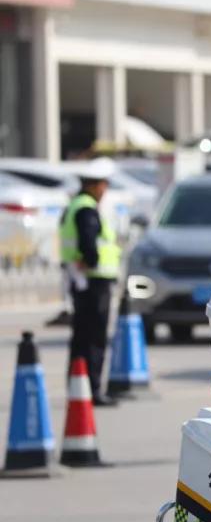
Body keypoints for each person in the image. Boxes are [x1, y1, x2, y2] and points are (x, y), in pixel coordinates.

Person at [60, 158, 121, 407]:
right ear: (96, 186)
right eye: (104, 185)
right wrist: (92, 260)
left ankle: (78, 387)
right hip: (94, 282)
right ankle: (93, 390)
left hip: (81, 281)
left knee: (81, 336)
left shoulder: (74, 204)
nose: (105, 191)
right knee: (94, 338)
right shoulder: (86, 208)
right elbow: (88, 243)